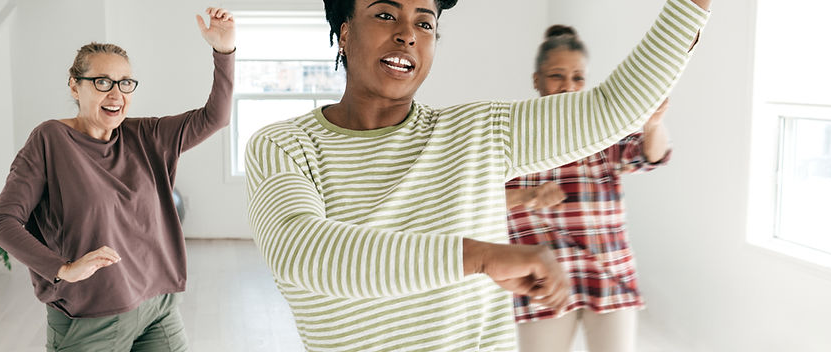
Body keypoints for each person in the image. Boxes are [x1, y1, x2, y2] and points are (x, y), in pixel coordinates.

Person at [244, 0, 710, 350]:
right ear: (344, 33)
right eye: (385, 14)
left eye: (425, 22)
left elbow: (618, 107)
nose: (407, 34)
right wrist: (481, 256)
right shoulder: (283, 146)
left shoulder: (480, 133)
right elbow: (301, 252)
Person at [0, 7, 236, 351]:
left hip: (158, 306)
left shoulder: (147, 135)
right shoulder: (50, 140)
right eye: (102, 82)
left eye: (125, 83)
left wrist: (224, 50)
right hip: (91, 315)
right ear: (75, 86)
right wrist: (63, 268)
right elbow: (2, 223)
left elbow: (216, 117)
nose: (116, 94)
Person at [506, 25, 671, 352]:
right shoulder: (514, 136)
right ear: (536, 80)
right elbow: (478, 197)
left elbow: (649, 156)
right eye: (556, 76)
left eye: (578, 78)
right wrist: (529, 196)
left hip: (609, 275)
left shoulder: (601, 132)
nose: (568, 86)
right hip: (543, 281)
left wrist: (653, 124)